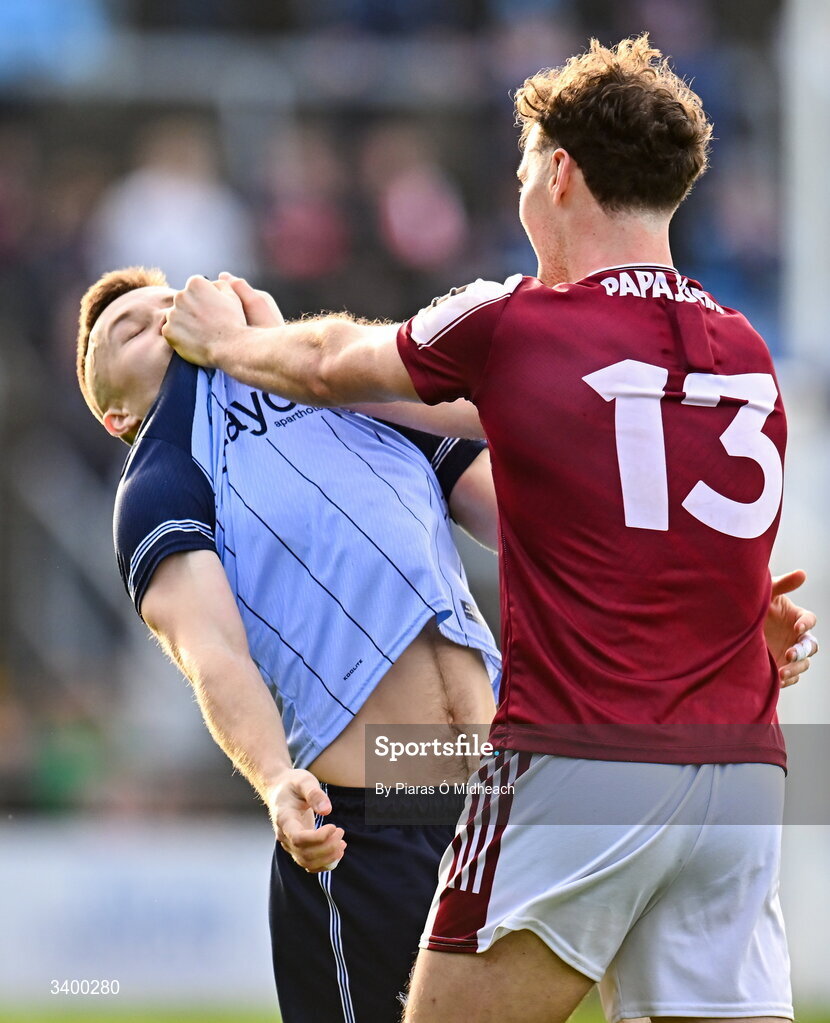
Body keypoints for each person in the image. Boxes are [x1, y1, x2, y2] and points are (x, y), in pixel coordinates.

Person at [162, 34, 820, 1023]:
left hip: (578, 760)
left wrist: (232, 342)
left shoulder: (515, 324)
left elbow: (334, 363)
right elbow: (668, 523)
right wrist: (736, 618)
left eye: (523, 169)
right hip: (737, 776)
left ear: (558, 174)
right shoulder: (742, 353)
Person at [75, 265, 503, 1023]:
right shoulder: (163, 478)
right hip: (369, 824)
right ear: (115, 415)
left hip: (493, 800)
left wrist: (700, 600)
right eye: (130, 330)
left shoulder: (334, 381)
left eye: (170, 301)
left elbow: (526, 516)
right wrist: (275, 778)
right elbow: (214, 655)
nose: (164, 317)